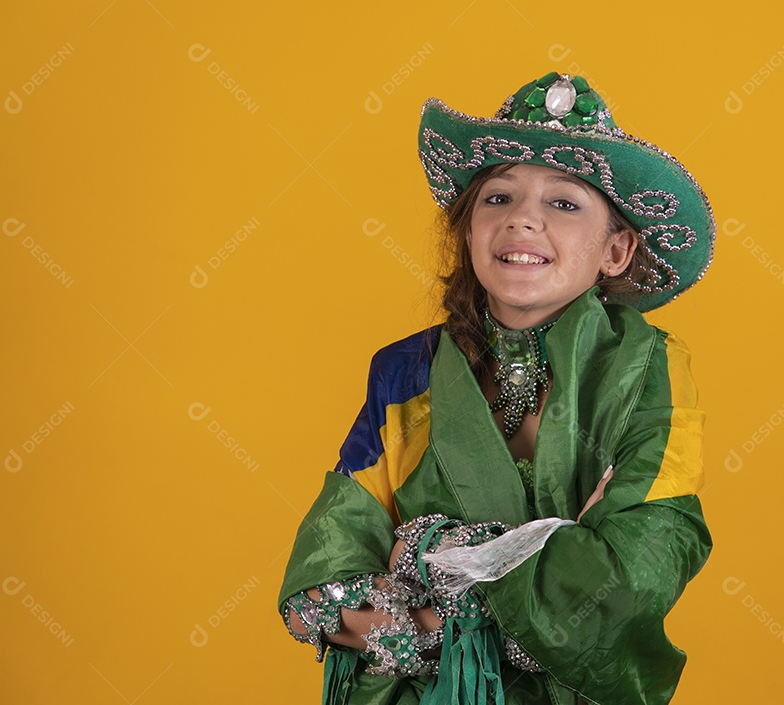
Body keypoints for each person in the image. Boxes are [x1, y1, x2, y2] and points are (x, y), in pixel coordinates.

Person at [277, 70, 716, 705]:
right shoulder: (404, 372)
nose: (522, 222)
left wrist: (422, 575)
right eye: (498, 199)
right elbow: (314, 594)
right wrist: (544, 550)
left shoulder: (650, 371)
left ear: (615, 250)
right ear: (467, 228)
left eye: (563, 204)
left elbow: (626, 584)